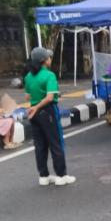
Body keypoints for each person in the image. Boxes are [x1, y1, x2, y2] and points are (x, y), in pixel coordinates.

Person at [23, 47, 75, 186]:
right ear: (44, 60)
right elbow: (50, 97)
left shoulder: (28, 76)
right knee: (56, 143)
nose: (50, 59)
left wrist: (35, 104)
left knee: (40, 145)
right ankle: (61, 176)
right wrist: (39, 105)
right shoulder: (49, 75)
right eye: (49, 57)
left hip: (34, 113)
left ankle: (44, 176)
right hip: (47, 111)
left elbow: (27, 96)